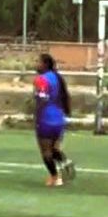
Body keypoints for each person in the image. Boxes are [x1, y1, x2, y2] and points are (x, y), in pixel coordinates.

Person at [34, 53, 75, 187]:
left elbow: (42, 99)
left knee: (45, 151)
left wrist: (36, 115)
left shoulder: (41, 79)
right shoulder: (58, 78)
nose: (36, 64)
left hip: (46, 119)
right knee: (54, 148)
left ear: (45, 64)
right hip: (59, 118)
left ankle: (55, 177)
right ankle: (64, 161)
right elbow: (65, 96)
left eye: (38, 62)